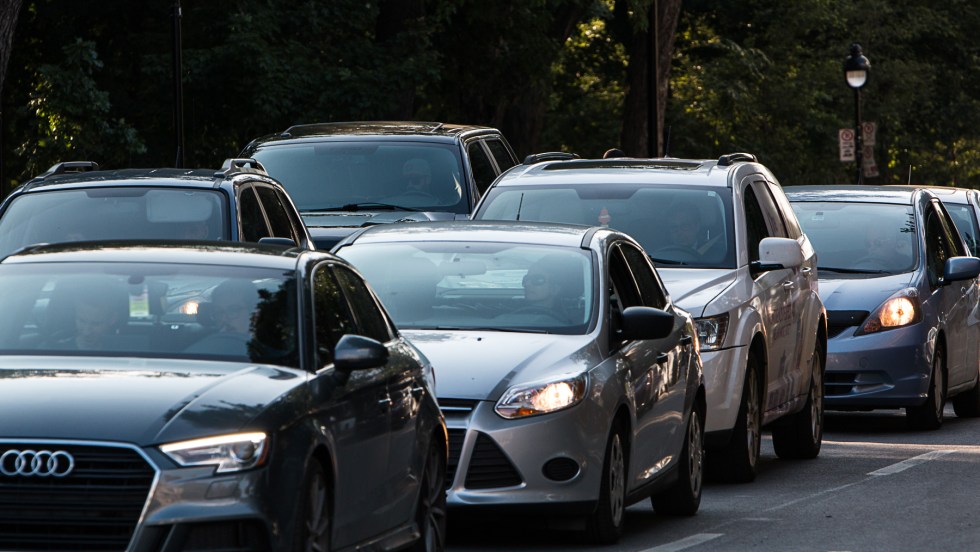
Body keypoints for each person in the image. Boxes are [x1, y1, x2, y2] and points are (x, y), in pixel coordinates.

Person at [186, 279, 259, 356]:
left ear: (254, 313)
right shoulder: (207, 345)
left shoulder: (265, 348)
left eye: (233, 310)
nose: (223, 319)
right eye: (218, 312)